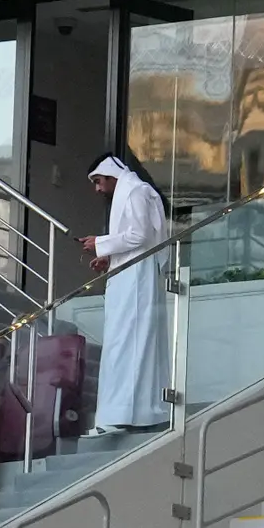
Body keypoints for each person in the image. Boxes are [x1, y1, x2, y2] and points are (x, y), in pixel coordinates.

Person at [90, 157, 172, 433]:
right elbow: (134, 240)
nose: (98, 190)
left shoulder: (136, 191)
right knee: (119, 343)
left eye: (99, 182)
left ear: (110, 175)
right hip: (128, 276)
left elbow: (139, 235)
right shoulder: (130, 192)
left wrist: (100, 243)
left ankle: (127, 414)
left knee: (130, 342)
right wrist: (108, 257)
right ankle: (118, 413)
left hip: (138, 280)